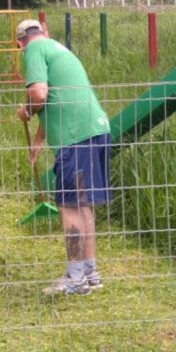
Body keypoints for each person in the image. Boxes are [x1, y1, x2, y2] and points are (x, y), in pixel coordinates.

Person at [16, 18, 111, 296]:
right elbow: (59, 99)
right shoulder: (58, 48)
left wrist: (27, 111)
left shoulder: (33, 50)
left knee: (69, 206)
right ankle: (90, 273)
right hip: (96, 130)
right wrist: (37, 142)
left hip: (75, 139)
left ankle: (74, 278)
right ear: (43, 32)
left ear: (20, 43)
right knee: (84, 206)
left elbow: (40, 95)